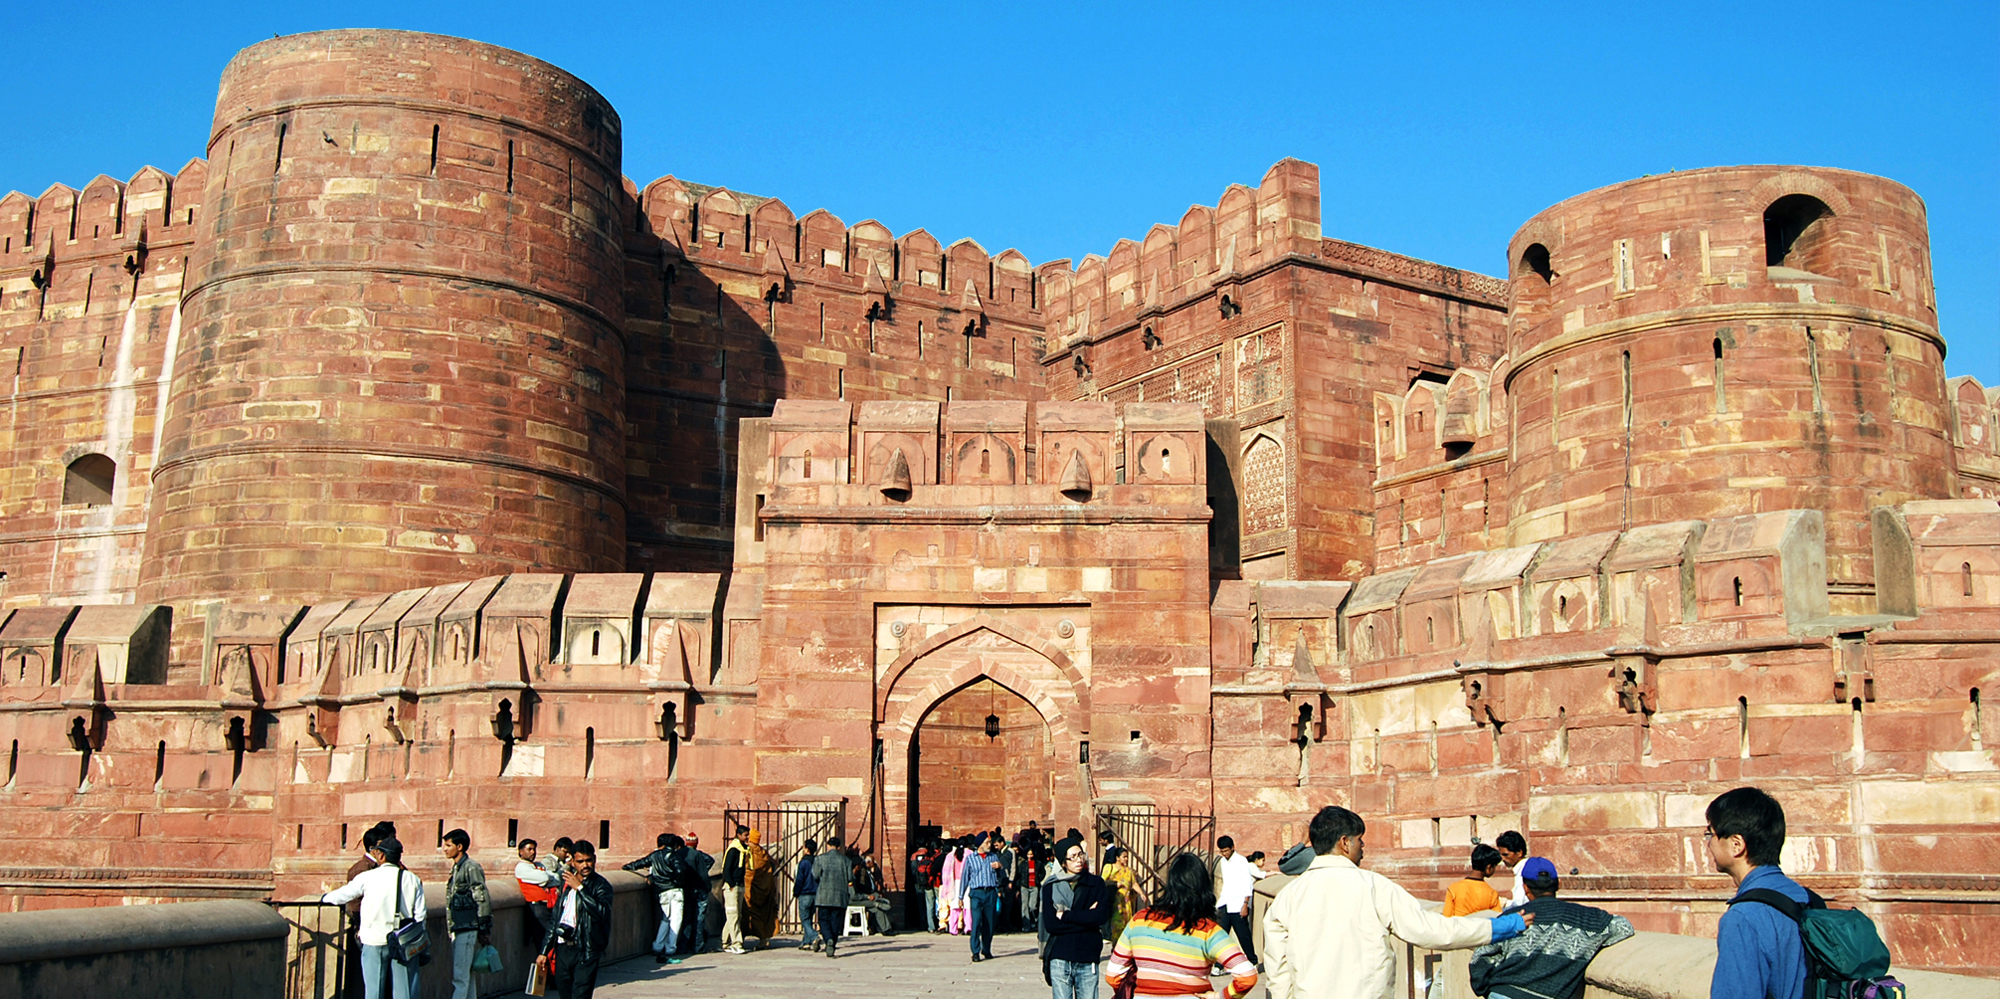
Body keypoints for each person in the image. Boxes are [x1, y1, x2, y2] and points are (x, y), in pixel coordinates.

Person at [1262, 806, 1530, 999]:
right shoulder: (1374, 887)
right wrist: (1498, 928)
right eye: (1359, 841)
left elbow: (1278, 973)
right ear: (1345, 842)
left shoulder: (1287, 898)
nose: (1363, 848)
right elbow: (1431, 930)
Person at [1469, 857, 1633, 999]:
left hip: (1504, 992)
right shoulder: (1588, 918)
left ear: (1525, 888)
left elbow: (1481, 958)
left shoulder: (1513, 917)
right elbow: (1624, 928)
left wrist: (1486, 989)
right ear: (1558, 884)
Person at [1104, 852, 1258, 999]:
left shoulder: (1140, 920)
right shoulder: (1207, 930)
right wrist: (1219, 996)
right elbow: (1247, 976)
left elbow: (1113, 974)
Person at [1707, 787, 1810, 999]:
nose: (1709, 843)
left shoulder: (1743, 918)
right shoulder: (1807, 899)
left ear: (1737, 845)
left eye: (1711, 833)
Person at [321, 835, 426, 999]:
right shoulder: (412, 879)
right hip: (403, 940)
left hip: (374, 940)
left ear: (382, 856)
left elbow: (344, 895)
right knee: (404, 992)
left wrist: (324, 898)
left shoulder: (368, 877)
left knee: (374, 992)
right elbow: (420, 915)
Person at [1042, 836, 1111, 999]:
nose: (1078, 860)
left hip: (1088, 955)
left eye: (1080, 855)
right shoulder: (1051, 886)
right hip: (1061, 955)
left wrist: (1066, 915)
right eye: (1072, 857)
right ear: (1063, 862)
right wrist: (1087, 917)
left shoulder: (1096, 883)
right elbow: (1051, 925)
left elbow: (1101, 917)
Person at [549, 838, 613, 999]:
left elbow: (601, 913)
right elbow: (556, 919)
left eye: (588, 860)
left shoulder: (601, 885)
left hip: (586, 948)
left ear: (594, 859)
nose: (585, 865)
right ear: (572, 861)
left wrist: (580, 888)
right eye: (580, 861)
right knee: (565, 993)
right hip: (564, 949)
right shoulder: (565, 884)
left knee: (581, 995)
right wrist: (544, 952)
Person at [342, 822, 393, 999]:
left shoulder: (382, 867)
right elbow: (354, 902)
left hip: (379, 930)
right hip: (368, 930)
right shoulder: (362, 869)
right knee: (369, 978)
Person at [621, 832, 690, 964]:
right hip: (674, 890)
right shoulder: (674, 855)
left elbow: (638, 863)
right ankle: (670, 947)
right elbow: (680, 871)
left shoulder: (654, 855)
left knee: (665, 919)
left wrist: (629, 867)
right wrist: (677, 881)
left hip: (661, 891)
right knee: (675, 919)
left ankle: (658, 945)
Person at [442, 828, 492, 999]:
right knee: (466, 974)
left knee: (460, 976)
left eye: (449, 845)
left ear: (460, 846)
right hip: (460, 926)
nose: (445, 849)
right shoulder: (458, 867)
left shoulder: (470, 867)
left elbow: (482, 898)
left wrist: (484, 928)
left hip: (467, 926)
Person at [1212, 834, 1266, 967]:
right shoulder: (1223, 862)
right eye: (1222, 851)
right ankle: (1219, 966)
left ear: (1232, 848)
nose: (1224, 854)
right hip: (1225, 902)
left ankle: (1253, 961)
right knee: (1222, 936)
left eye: (1226, 851)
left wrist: (1245, 904)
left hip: (1238, 904)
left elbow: (1247, 883)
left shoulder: (1241, 861)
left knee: (1243, 935)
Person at [811, 835, 856, 959]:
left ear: (828, 845)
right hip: (840, 895)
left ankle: (828, 938)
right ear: (839, 847)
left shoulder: (820, 859)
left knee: (823, 919)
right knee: (836, 921)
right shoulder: (846, 860)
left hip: (824, 895)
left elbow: (815, 875)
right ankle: (832, 942)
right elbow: (850, 878)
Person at [961, 833, 1004, 961]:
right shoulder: (970, 859)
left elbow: (1002, 875)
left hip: (990, 892)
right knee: (977, 922)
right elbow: (965, 878)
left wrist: (1000, 867)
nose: (989, 845)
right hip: (976, 893)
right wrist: (960, 897)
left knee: (989, 923)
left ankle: (986, 949)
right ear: (980, 844)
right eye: (987, 842)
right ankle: (975, 951)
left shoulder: (993, 857)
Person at [515, 838, 561, 952]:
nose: (533, 852)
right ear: (521, 851)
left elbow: (557, 879)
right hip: (537, 908)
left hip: (548, 906)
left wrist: (545, 878)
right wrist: (545, 878)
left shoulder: (538, 865)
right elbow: (545, 877)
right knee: (543, 939)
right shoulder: (522, 867)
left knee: (552, 938)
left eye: (534, 849)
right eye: (529, 849)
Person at [1443, 844, 1506, 917]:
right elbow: (1497, 919)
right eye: (1494, 867)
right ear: (1489, 867)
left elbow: (1446, 919)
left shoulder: (1454, 889)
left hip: (1459, 927)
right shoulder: (1492, 894)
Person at [742, 828, 780, 948]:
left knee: (748, 913)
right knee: (761, 914)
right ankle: (763, 938)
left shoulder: (749, 851)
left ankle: (743, 938)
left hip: (750, 888)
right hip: (764, 889)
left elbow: (748, 870)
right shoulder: (762, 853)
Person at [1100, 845, 1141, 946]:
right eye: (1124, 856)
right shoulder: (1109, 867)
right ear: (1117, 858)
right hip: (1114, 901)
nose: (1126, 859)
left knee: (1126, 924)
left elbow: (1134, 883)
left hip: (1126, 902)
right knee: (1117, 924)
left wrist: (1142, 893)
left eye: (1127, 857)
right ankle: (1115, 945)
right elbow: (1102, 881)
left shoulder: (1129, 871)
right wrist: (1115, 883)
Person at [683, 832, 715, 955]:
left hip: (687, 889)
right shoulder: (699, 855)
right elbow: (710, 861)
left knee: (687, 918)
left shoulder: (682, 855)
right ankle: (698, 945)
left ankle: (684, 945)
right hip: (700, 889)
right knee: (699, 918)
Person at [851, 848, 896, 934]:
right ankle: (881, 907)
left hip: (861, 897)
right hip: (854, 900)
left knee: (877, 907)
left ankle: (886, 928)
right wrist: (867, 896)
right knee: (876, 905)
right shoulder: (851, 878)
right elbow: (854, 895)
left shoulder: (863, 873)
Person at [720, 825, 750, 953]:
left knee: (735, 915)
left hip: (740, 885)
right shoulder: (733, 850)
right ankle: (737, 943)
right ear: (738, 835)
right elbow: (726, 869)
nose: (747, 837)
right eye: (745, 835)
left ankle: (725, 941)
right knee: (733, 914)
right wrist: (731, 884)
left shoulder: (744, 850)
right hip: (732, 886)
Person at [794, 838, 821, 951]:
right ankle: (806, 942)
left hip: (805, 893)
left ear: (807, 849)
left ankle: (814, 936)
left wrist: (796, 891)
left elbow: (800, 879)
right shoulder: (817, 862)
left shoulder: (803, 863)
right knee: (809, 918)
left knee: (804, 919)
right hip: (816, 893)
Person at [911, 843, 942, 934]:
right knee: (932, 903)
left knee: (922, 903)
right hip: (931, 882)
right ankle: (936, 923)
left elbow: (913, 870)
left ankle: (924, 924)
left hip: (919, 881)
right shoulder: (930, 854)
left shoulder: (914, 855)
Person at [1494, 831, 1528, 910]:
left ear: (1519, 853)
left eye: (1506, 855)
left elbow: (1519, 904)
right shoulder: (1520, 869)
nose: (1502, 859)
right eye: (1501, 855)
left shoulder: (1525, 871)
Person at [940, 841, 968, 934]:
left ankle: (953, 929)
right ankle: (968, 927)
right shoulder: (970, 854)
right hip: (967, 883)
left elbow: (945, 871)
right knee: (967, 906)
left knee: (954, 907)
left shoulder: (950, 855)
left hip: (954, 883)